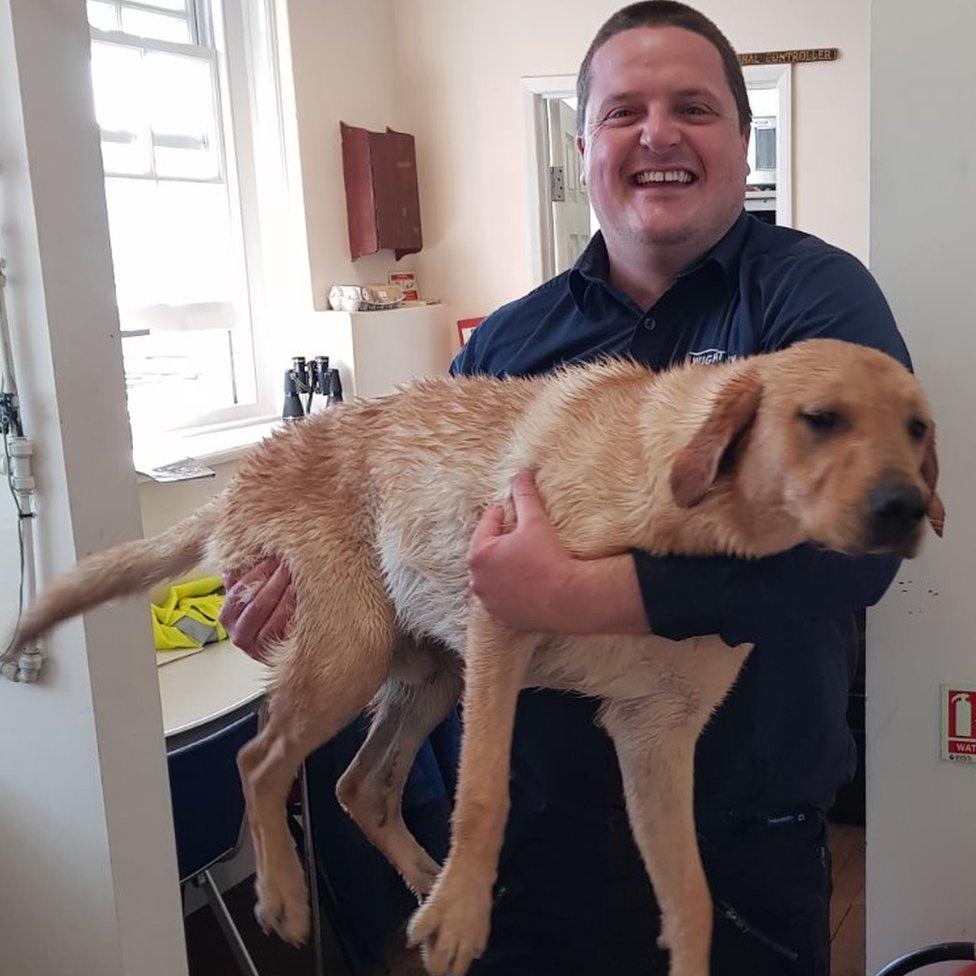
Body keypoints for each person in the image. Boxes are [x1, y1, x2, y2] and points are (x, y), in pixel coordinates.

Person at [222, 3, 912, 973]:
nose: (657, 134)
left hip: (741, 832)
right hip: (537, 847)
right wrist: (310, 608)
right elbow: (445, 577)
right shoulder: (509, 345)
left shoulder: (811, 307)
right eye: (623, 112)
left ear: (740, 137)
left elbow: (859, 568)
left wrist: (587, 595)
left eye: (693, 108)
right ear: (582, 143)